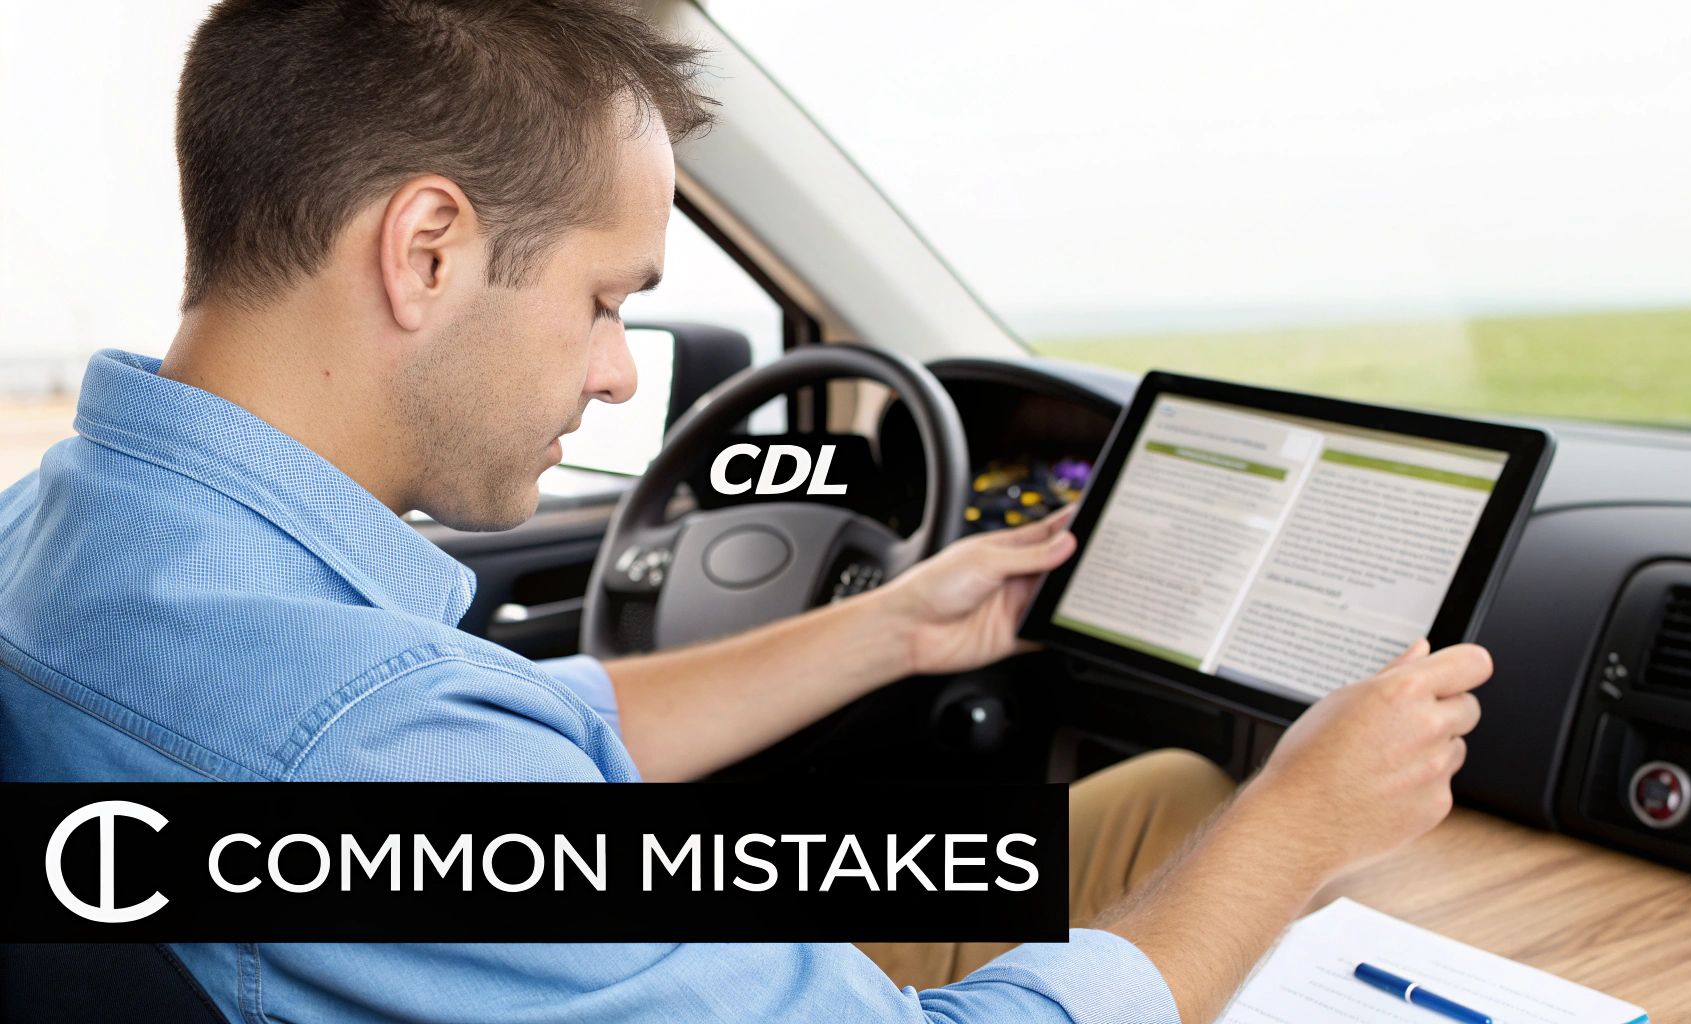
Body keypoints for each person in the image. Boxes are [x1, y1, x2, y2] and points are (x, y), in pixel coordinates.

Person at [0, 2, 1490, 1021]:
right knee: (1220, 837)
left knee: (1149, 812)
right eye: (604, 302)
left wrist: (881, 633)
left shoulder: (69, 526)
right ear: (429, 249)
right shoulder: (371, 744)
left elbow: (528, 743)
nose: (604, 374)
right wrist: (1300, 826)